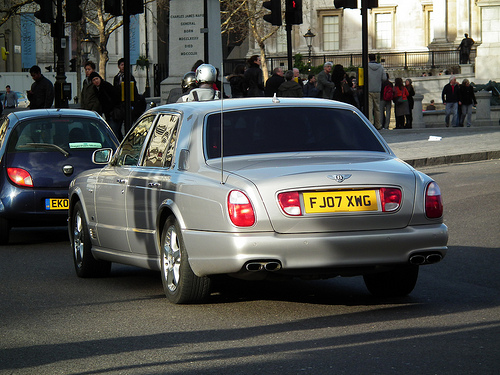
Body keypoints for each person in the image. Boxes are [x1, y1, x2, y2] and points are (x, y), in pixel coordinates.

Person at [90, 72, 122, 140]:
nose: (96, 81)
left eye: (97, 79)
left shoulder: (106, 86)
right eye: (94, 80)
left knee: (113, 132)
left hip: (113, 112)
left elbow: (115, 97)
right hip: (108, 113)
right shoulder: (96, 89)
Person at [113, 57, 140, 133]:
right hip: (119, 105)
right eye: (121, 65)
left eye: (125, 65)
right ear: (118, 66)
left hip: (128, 104)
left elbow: (134, 90)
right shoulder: (116, 78)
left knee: (128, 126)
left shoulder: (130, 77)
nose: (123, 66)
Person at [368, 54, 387, 130]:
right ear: (375, 58)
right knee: (377, 108)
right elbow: (384, 78)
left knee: (370, 107)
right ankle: (378, 124)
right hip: (377, 89)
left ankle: (370, 124)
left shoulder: (367, 66)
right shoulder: (380, 67)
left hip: (369, 89)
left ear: (369, 58)